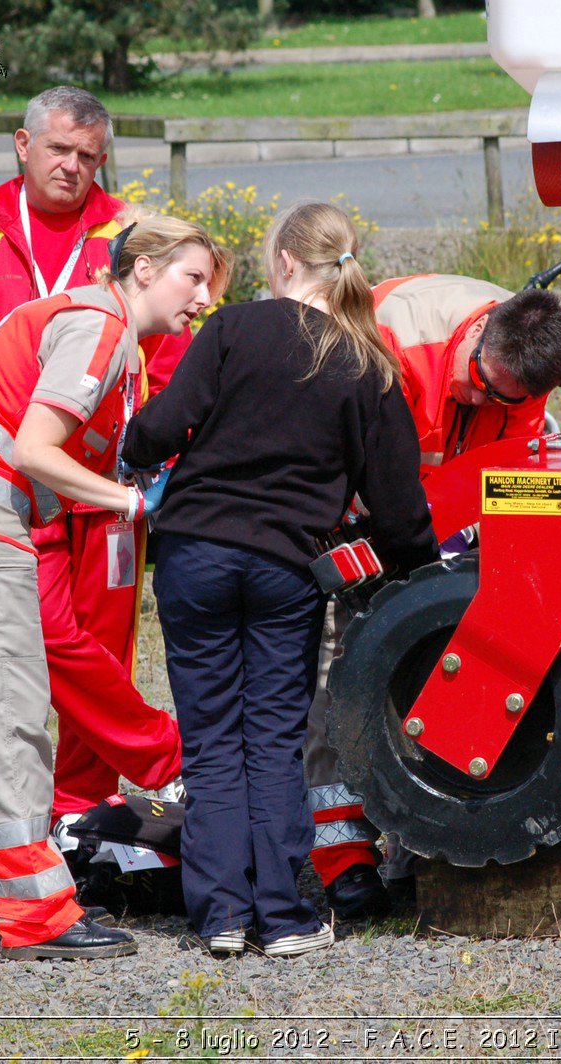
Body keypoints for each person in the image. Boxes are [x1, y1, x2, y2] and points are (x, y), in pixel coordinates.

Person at [0, 215, 230, 960]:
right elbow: (36, 449)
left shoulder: (107, 334)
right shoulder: (99, 328)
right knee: (13, 713)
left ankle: (12, 899)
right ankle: (35, 915)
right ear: (142, 269)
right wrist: (130, 502)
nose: (204, 299)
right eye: (193, 278)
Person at [123, 202, 438, 958]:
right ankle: (285, 915)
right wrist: (420, 570)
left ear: (285, 264)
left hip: (195, 554)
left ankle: (223, 915)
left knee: (210, 739)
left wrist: (134, 440)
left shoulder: (232, 330)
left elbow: (160, 430)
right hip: (284, 568)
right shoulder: (370, 364)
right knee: (271, 739)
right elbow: (400, 511)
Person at [0, 85, 188, 832]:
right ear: (22, 145)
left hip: (106, 477)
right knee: (38, 635)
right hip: (9, 481)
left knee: (102, 641)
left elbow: (170, 360)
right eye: (60, 150)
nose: (74, 167)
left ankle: (82, 805)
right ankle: (154, 759)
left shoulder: (128, 236)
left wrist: (150, 467)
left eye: (90, 157)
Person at [304, 274, 561, 919]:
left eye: (503, 399)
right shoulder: (391, 336)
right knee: (340, 677)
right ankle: (343, 856)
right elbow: (344, 450)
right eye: (480, 383)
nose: (481, 397)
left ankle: (414, 842)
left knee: (436, 667)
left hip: (432, 525)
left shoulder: (522, 364)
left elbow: (514, 473)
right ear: (482, 332)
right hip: (359, 510)